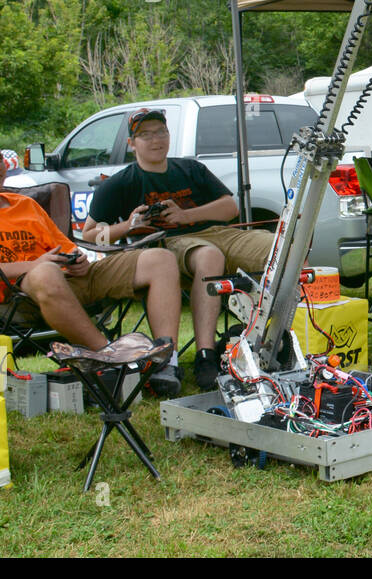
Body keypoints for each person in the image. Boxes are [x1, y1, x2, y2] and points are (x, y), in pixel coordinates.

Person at [0, 132, 184, 396]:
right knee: (44, 272)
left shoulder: (26, 205)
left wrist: (76, 262)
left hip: (66, 282)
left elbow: (67, 250)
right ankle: (110, 357)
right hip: (17, 297)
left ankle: (167, 365)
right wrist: (34, 265)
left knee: (160, 259)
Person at [83, 108, 277, 391]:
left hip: (212, 231)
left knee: (281, 247)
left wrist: (186, 215)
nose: (155, 140)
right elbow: (91, 236)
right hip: (163, 242)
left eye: (161, 132)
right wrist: (129, 224)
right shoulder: (119, 184)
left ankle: (276, 343)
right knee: (210, 256)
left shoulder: (190, 169)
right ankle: (206, 356)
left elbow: (230, 207)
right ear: (132, 144)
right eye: (145, 135)